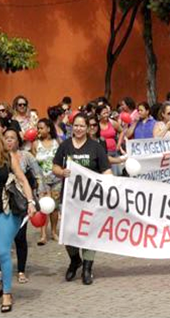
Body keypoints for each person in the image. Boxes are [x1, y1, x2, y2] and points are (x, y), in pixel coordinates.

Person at [0, 128, 36, 312]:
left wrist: (31, 202)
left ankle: (7, 294)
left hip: (7, 212)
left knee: (3, 251)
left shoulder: (8, 159)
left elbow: (23, 180)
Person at [52, 113, 112, 285]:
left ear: (88, 128)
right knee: (68, 232)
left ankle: (87, 266)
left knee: (89, 232)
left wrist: (110, 184)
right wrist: (62, 172)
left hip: (90, 199)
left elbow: (106, 170)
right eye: (76, 126)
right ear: (72, 127)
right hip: (70, 198)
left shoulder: (96, 147)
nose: (78, 129)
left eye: (82, 126)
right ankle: (74, 260)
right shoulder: (65, 146)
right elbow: (55, 166)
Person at [3, 128, 43, 285]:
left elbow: (38, 174)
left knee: (20, 237)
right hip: (5, 202)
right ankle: (1, 271)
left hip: (20, 201)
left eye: (12, 138)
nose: (9, 141)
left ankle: (21, 270)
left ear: (18, 141)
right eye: (6, 138)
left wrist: (38, 194)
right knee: (3, 240)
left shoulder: (26, 156)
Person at [32, 118, 61, 245]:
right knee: (43, 207)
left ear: (49, 129)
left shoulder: (57, 142)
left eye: (41, 127)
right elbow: (33, 162)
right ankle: (43, 235)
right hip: (42, 180)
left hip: (56, 179)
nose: (38, 130)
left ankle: (54, 232)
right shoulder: (35, 144)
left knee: (54, 207)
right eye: (38, 128)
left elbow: (63, 157)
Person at [96, 104, 122, 175]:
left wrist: (119, 144)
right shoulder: (96, 125)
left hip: (114, 151)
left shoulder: (112, 123)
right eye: (104, 113)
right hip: (103, 154)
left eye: (107, 113)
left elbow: (121, 131)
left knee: (117, 173)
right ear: (99, 114)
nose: (106, 115)